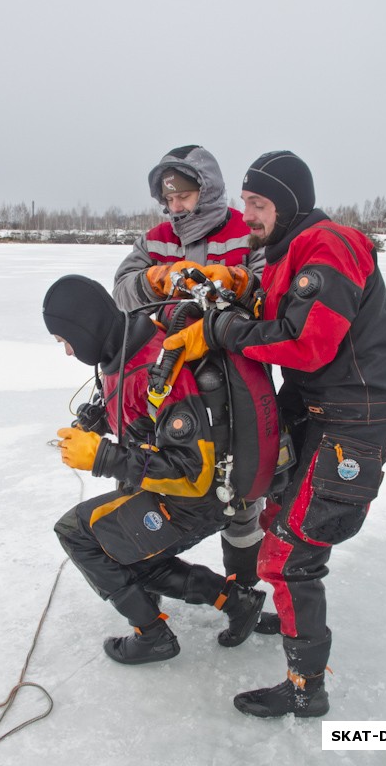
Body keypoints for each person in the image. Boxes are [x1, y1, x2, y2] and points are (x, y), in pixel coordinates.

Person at [163, 150, 386, 717]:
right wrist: (224, 291)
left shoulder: (329, 245)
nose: (247, 214)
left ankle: (307, 692)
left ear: (289, 201)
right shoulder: (283, 252)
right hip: (318, 408)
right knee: (280, 519)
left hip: (357, 418)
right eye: (245, 202)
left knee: (292, 553)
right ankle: (284, 616)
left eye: (259, 203)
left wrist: (225, 330)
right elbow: (265, 300)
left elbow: (308, 342)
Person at [42, 274, 266, 665]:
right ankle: (236, 602)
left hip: (196, 501)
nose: (66, 352)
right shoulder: (125, 346)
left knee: (78, 535)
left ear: (85, 328)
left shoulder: (157, 369)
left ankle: (153, 636)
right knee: (124, 555)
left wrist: (102, 458)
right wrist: (96, 423)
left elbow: (192, 473)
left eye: (65, 341)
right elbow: (135, 414)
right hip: (171, 494)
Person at [113, 144, 267, 590]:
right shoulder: (157, 237)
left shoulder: (245, 231)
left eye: (183, 196)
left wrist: (238, 283)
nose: (174, 206)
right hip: (165, 382)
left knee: (239, 485)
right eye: (169, 199)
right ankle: (139, 575)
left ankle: (242, 591)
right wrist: (154, 279)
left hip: (234, 381)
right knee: (144, 471)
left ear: (208, 188)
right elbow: (122, 291)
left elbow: (269, 293)